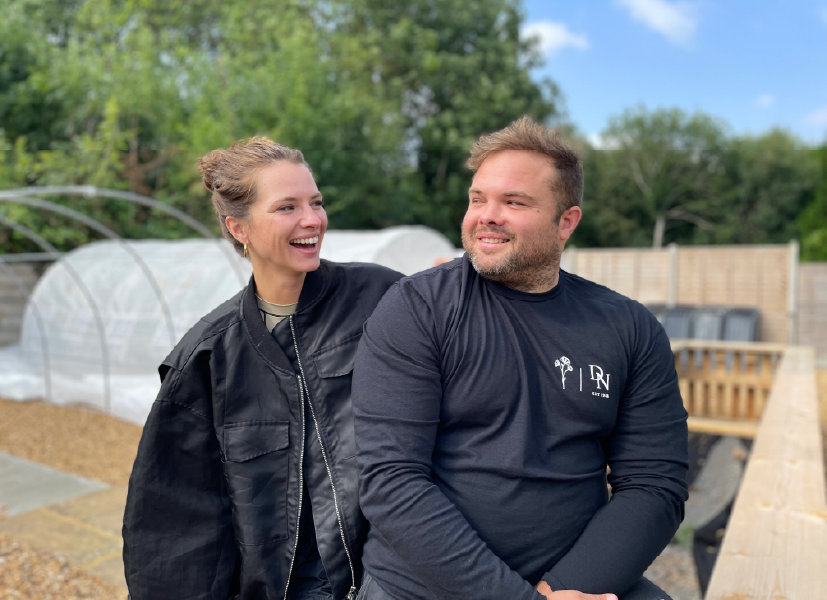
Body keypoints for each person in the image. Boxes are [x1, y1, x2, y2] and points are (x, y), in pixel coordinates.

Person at [352, 117, 689, 600]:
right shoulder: (417, 308)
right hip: (423, 586)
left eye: (514, 202)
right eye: (477, 198)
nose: (487, 215)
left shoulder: (627, 327)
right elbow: (392, 482)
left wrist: (566, 587)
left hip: (579, 584)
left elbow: (655, 484)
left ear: (565, 222)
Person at [123, 138, 402, 600]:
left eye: (316, 202)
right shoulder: (207, 356)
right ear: (239, 227)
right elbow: (177, 522)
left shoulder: (382, 298)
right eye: (287, 207)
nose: (312, 219)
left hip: (390, 578)